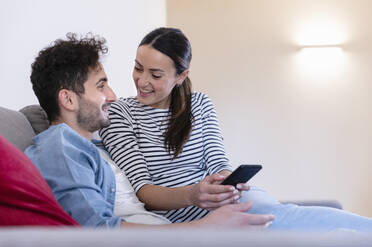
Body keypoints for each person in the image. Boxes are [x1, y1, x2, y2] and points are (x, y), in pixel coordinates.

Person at [99, 27, 372, 231]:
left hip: (230, 205)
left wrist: (227, 183)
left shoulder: (200, 104)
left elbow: (219, 164)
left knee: (319, 227)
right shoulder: (120, 113)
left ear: (181, 76)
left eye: (156, 75)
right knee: (308, 228)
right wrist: (193, 195)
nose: (142, 81)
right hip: (195, 218)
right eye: (138, 68)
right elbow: (143, 190)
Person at [24, 33, 274, 229]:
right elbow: (97, 230)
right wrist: (204, 229)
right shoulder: (60, 149)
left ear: (181, 76)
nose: (112, 96)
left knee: (265, 210)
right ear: (68, 100)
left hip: (176, 228)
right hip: (179, 233)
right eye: (101, 86)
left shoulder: (97, 148)